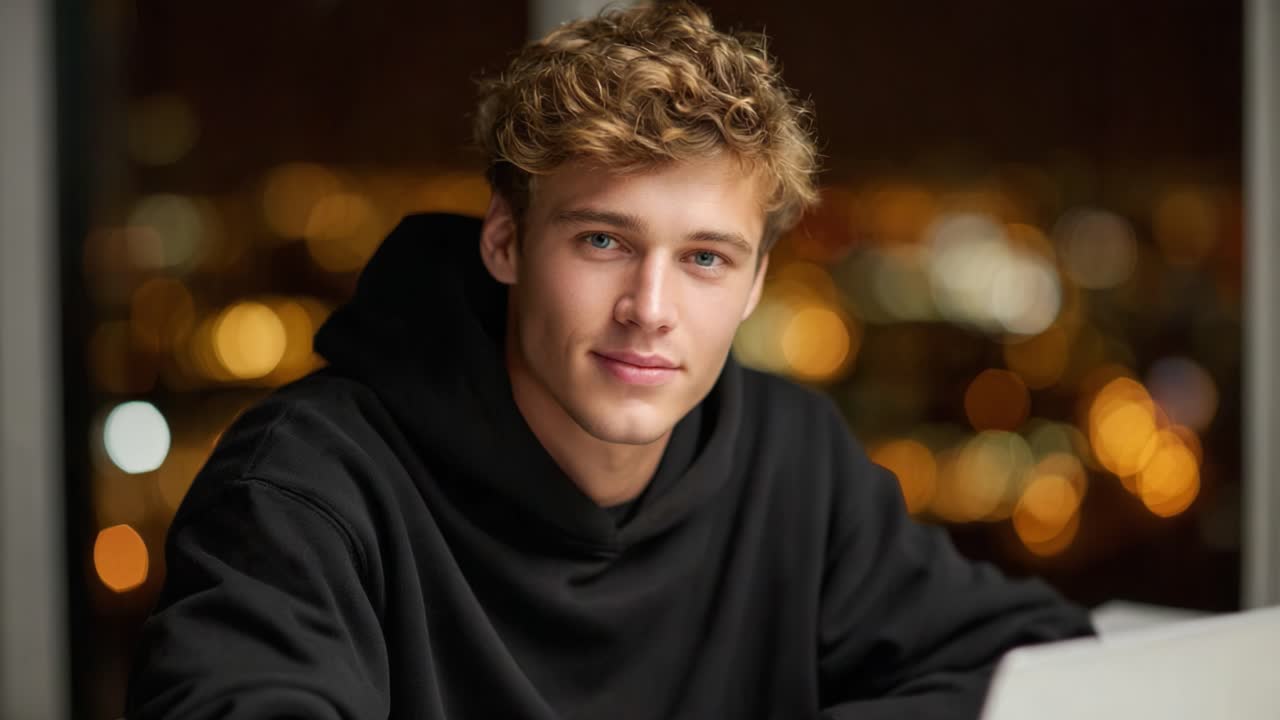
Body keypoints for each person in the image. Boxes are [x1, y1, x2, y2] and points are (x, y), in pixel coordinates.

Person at [125, 3, 1094, 718]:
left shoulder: (787, 457)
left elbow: (1027, 661)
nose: (650, 311)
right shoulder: (302, 487)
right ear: (503, 242)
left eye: (705, 259)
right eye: (601, 242)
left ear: (754, 285)